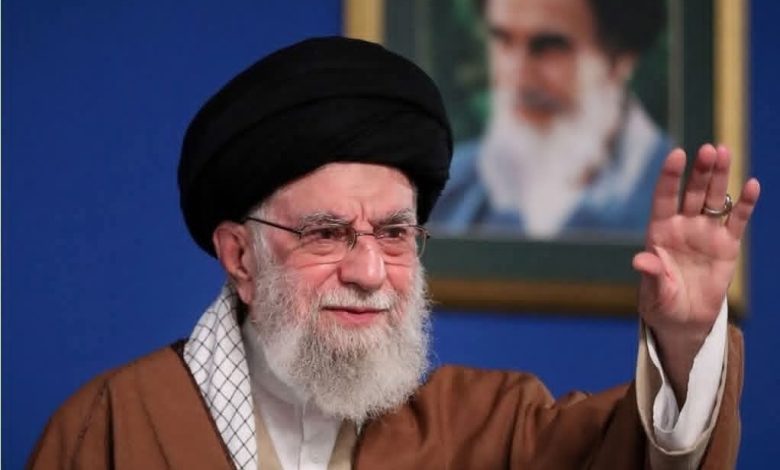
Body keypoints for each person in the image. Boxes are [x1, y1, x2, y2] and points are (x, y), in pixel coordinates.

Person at [28, 37, 759, 469]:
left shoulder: (493, 427)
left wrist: (684, 338)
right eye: (325, 233)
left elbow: (635, 459)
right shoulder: (107, 430)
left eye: (395, 233)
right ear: (240, 258)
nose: (369, 272)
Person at [430, 0, 671, 239]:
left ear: (620, 59)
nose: (518, 77)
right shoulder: (443, 190)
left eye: (548, 46)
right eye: (503, 40)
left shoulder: (677, 195)